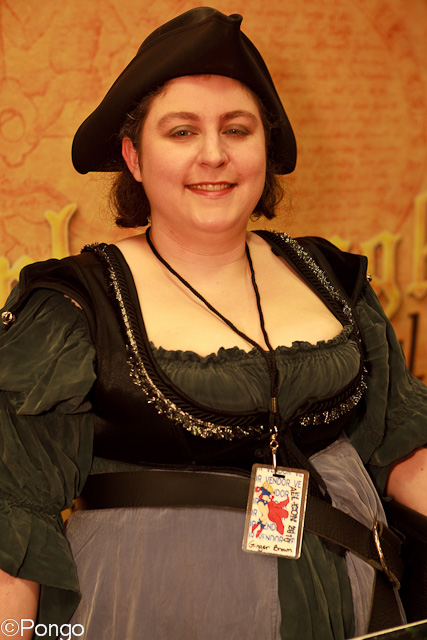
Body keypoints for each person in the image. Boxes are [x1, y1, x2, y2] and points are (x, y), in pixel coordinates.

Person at [1, 7, 426, 640]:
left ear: (266, 148)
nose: (214, 155)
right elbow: (12, 533)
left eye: (237, 129)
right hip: (146, 612)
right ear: (134, 157)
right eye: (181, 131)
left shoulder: (332, 279)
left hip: (351, 609)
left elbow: (404, 449)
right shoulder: (71, 305)